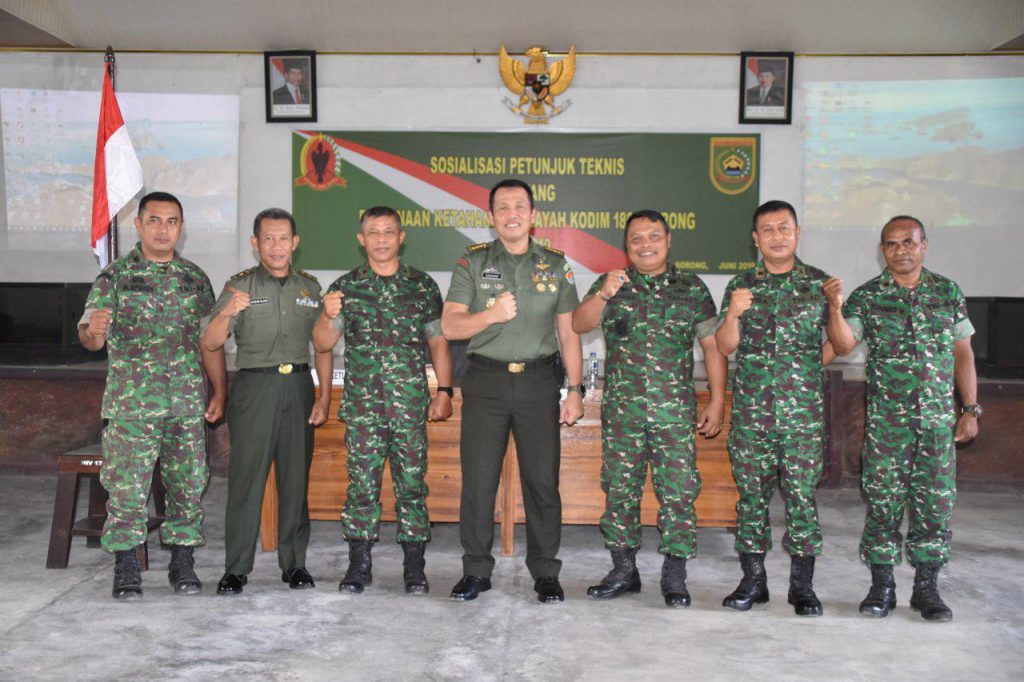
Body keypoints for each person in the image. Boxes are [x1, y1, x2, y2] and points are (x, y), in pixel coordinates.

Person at [826, 215, 978, 622]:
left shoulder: (947, 292)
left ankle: (927, 590)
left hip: (937, 426)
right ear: (883, 251)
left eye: (908, 242)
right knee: (882, 507)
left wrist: (970, 409)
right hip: (887, 428)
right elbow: (843, 344)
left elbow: (963, 353)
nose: (900, 250)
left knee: (934, 509)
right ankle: (882, 588)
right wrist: (835, 309)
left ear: (923, 244)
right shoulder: (868, 296)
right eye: (891, 244)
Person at [572, 210, 727, 608]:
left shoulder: (691, 288)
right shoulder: (612, 284)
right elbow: (579, 324)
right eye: (636, 238)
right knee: (620, 490)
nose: (646, 245)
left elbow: (711, 345)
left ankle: (675, 575)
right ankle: (624, 570)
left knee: (678, 493)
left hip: (674, 415)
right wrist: (603, 294)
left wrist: (717, 399)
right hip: (623, 414)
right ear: (627, 245)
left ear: (668, 240)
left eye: (654, 236)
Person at [441, 178, 584, 604]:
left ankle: (546, 571)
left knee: (542, 482)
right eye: (502, 208)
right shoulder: (472, 262)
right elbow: (451, 325)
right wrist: (490, 314)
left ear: (533, 215)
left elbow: (569, 333)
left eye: (519, 206)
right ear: (491, 217)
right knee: (479, 481)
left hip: (540, 383)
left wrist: (575, 390)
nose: (511, 214)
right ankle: (476, 570)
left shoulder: (556, 265)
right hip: (486, 382)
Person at [78, 191, 215, 601]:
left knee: (188, 485)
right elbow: (89, 336)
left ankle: (182, 562)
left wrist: (219, 392)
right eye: (154, 220)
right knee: (127, 490)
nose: (162, 229)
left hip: (186, 403)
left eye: (172, 221)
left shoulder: (194, 278)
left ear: (181, 227)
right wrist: (93, 332)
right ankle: (126, 567)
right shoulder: (115, 277)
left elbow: (210, 341)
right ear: (138, 225)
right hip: (133, 406)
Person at [312, 206, 453, 595]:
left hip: (410, 406)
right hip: (364, 409)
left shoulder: (422, 286)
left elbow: (438, 341)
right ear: (361, 240)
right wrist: (325, 316)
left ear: (401, 237)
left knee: (412, 485)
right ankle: (359, 563)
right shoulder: (345, 287)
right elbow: (322, 344)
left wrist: (444, 391)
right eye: (373, 232)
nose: (381, 239)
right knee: (361, 487)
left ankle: (414, 565)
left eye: (388, 232)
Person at [201, 208, 332, 595]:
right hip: (255, 388)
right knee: (246, 480)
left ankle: (295, 565)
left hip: (299, 388)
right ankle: (236, 569)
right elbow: (210, 342)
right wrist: (226, 313)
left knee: (295, 480)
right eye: (268, 239)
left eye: (283, 238)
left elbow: (323, 346)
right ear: (255, 243)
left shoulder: (310, 289)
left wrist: (324, 395)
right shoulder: (239, 287)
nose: (276, 246)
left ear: (295, 243)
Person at [715, 199, 836, 617]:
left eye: (784, 228)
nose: (777, 236)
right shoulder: (742, 285)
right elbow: (724, 346)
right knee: (751, 500)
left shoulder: (819, 285)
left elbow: (838, 343)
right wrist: (733, 314)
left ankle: (802, 588)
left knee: (802, 499)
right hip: (753, 418)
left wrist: (807, 370)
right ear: (756, 239)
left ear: (797, 233)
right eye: (767, 230)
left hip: (802, 420)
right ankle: (753, 582)